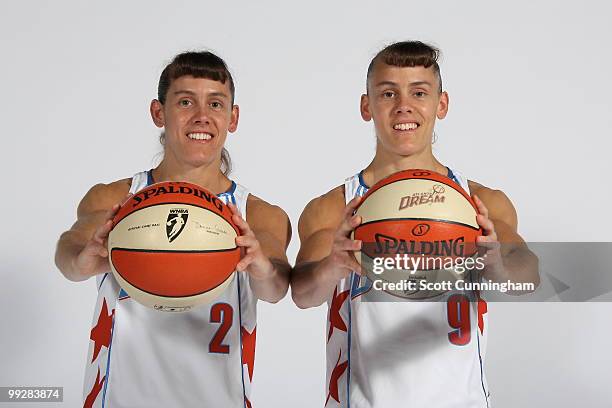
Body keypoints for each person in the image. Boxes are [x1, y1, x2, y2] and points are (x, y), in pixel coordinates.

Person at [291, 41, 539, 407]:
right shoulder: (334, 208)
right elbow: (301, 294)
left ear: (441, 104)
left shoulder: (480, 202)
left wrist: (497, 266)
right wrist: (333, 265)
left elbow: (529, 277)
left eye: (419, 92)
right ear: (367, 106)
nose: (403, 106)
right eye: (388, 93)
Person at [55, 51, 291, 408]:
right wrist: (83, 260)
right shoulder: (117, 198)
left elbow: (276, 289)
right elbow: (68, 250)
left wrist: (260, 266)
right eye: (185, 101)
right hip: (118, 398)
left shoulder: (257, 214)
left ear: (233, 117)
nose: (201, 116)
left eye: (215, 103)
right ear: (158, 112)